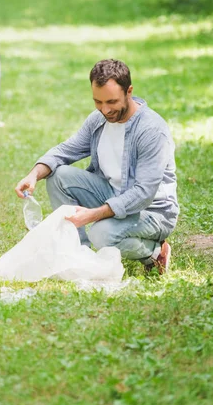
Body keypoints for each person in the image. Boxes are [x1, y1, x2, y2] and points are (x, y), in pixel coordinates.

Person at [15, 59, 179, 274]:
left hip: (151, 211)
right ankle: (79, 255)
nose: (105, 109)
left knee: (102, 234)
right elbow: (66, 150)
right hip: (112, 193)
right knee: (58, 176)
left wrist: (92, 215)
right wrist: (34, 174)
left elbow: (144, 193)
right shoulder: (98, 120)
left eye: (111, 101)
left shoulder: (150, 130)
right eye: (98, 102)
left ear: (129, 91)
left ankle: (155, 252)